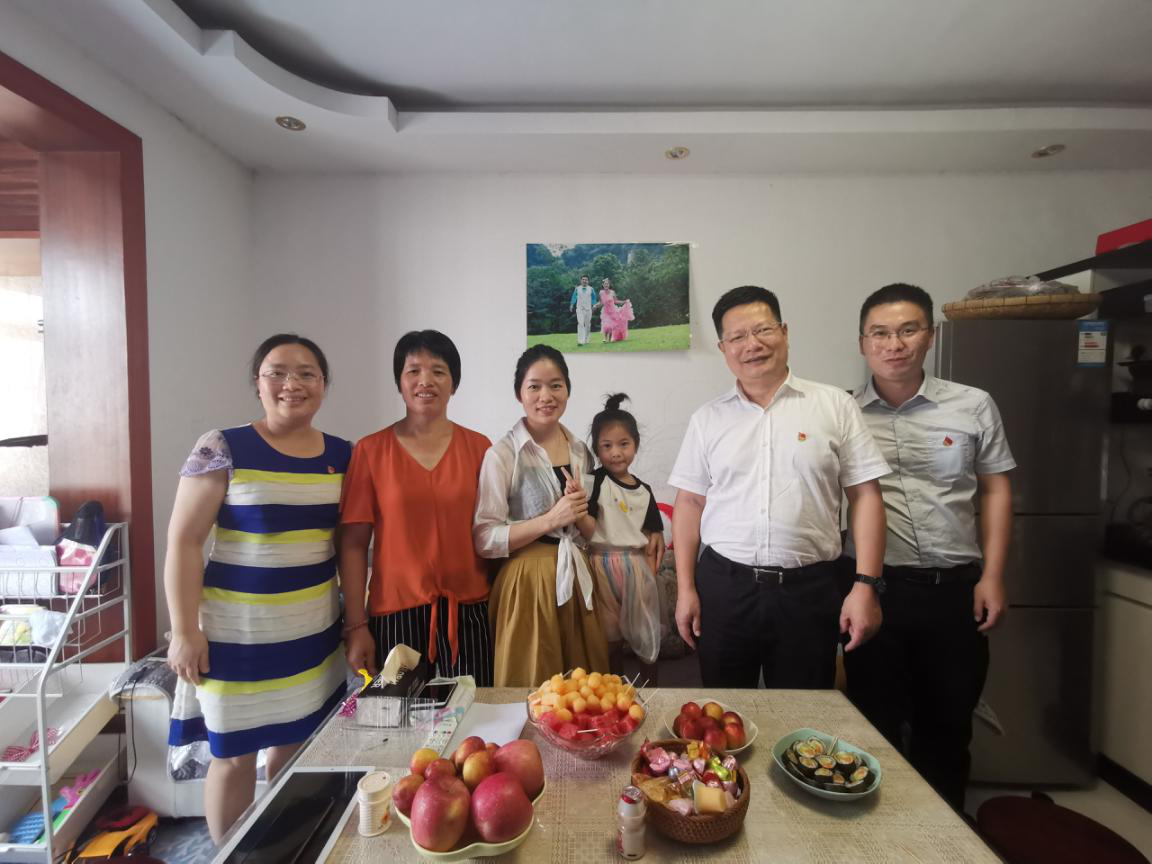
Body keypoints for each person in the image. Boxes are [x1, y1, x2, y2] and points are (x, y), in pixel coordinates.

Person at [166, 334, 350, 843]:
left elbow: (348, 546)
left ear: (323, 385)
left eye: (307, 373)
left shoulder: (343, 455)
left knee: (297, 746)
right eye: (278, 372)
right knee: (233, 755)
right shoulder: (223, 447)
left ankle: (281, 847)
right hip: (235, 636)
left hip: (311, 632)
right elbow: (184, 542)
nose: (292, 384)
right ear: (258, 382)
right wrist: (184, 631)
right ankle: (231, 852)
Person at [845, 282, 1015, 810]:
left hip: (954, 590)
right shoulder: (843, 412)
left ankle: (947, 834)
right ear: (863, 343)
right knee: (873, 725)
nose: (894, 344)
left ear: (930, 335)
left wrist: (993, 575)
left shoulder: (973, 405)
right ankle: (882, 833)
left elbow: (996, 489)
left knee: (947, 724)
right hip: (876, 591)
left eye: (908, 330)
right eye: (880, 333)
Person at [669, 285, 889, 689]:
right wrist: (685, 589)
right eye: (737, 336)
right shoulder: (707, 419)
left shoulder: (834, 406)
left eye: (763, 330)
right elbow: (689, 503)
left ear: (784, 332)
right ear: (723, 348)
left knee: (804, 712)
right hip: (725, 587)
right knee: (724, 710)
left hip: (809, 590)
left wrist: (866, 585)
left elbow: (866, 496)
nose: (752, 344)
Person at [339, 331, 494, 683]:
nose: (426, 380)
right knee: (399, 714)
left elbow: (494, 532)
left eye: (438, 371)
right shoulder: (370, 451)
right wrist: (356, 626)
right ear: (399, 381)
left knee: (473, 711)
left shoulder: (480, 448)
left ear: (454, 383)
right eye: (413, 371)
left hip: (469, 611)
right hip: (395, 613)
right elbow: (352, 544)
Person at [473, 344, 611, 686]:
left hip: (576, 576)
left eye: (556, 385)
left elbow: (592, 525)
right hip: (526, 584)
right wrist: (550, 520)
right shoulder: (502, 454)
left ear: (567, 390)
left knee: (583, 691)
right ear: (519, 394)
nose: (546, 396)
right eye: (534, 386)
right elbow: (485, 538)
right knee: (531, 688)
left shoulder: (581, 450)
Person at [575, 393, 665, 682]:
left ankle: (652, 688)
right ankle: (615, 688)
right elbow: (588, 529)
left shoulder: (645, 490)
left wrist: (651, 569)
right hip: (600, 566)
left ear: (635, 445)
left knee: (645, 632)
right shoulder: (596, 482)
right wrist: (575, 507)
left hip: (636, 568)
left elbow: (653, 536)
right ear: (596, 450)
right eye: (607, 446)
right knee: (609, 635)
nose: (616, 453)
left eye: (623, 444)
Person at [570, 275, 597, 347]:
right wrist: (572, 304)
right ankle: (580, 341)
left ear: (588, 281)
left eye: (586, 280)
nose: (584, 281)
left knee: (587, 325)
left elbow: (594, 298)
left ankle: (586, 339)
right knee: (580, 323)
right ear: (581, 280)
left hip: (588, 309)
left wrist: (594, 305)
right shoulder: (577, 289)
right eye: (583, 279)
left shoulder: (591, 289)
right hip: (579, 309)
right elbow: (574, 297)